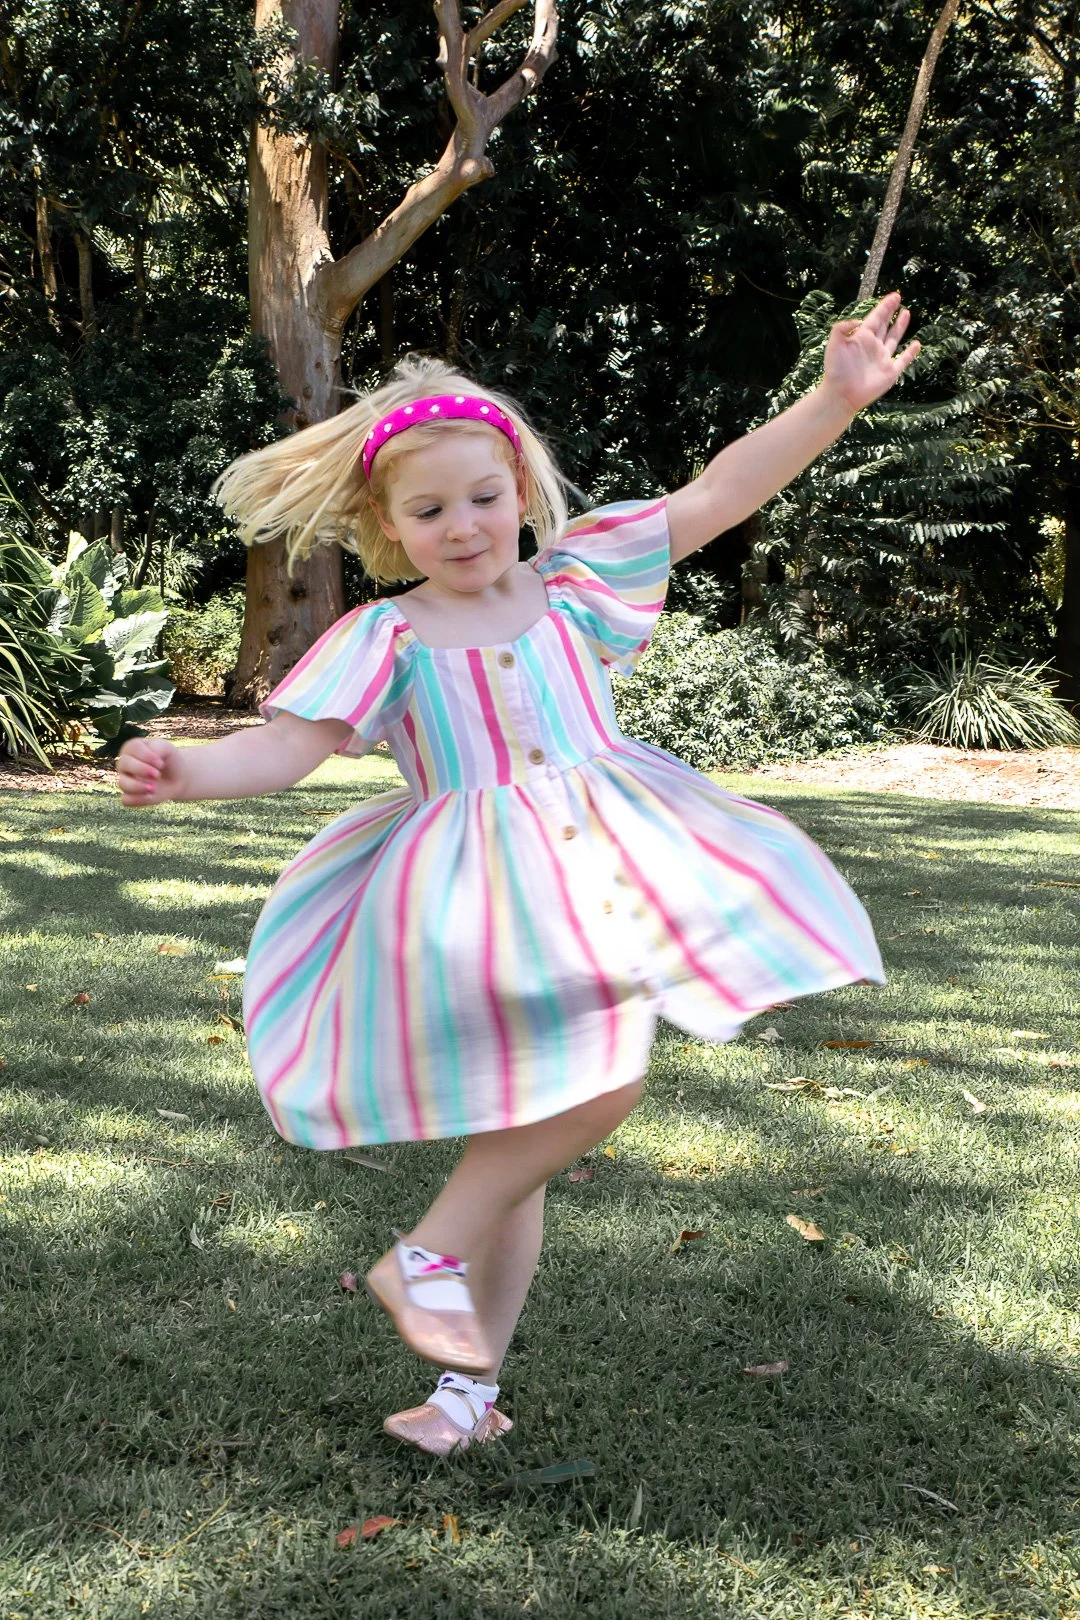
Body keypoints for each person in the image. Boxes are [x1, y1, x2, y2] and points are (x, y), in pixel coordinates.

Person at [116, 293, 918, 1456]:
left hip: (602, 852)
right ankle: (425, 1255)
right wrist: (188, 769)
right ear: (386, 527)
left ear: (521, 495)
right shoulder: (384, 637)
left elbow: (719, 492)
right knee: (603, 1074)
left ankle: (462, 1400)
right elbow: (289, 749)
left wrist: (833, 399)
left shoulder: (579, 585)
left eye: (485, 498)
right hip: (477, 898)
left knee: (522, 1138)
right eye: (429, 509)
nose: (464, 525)